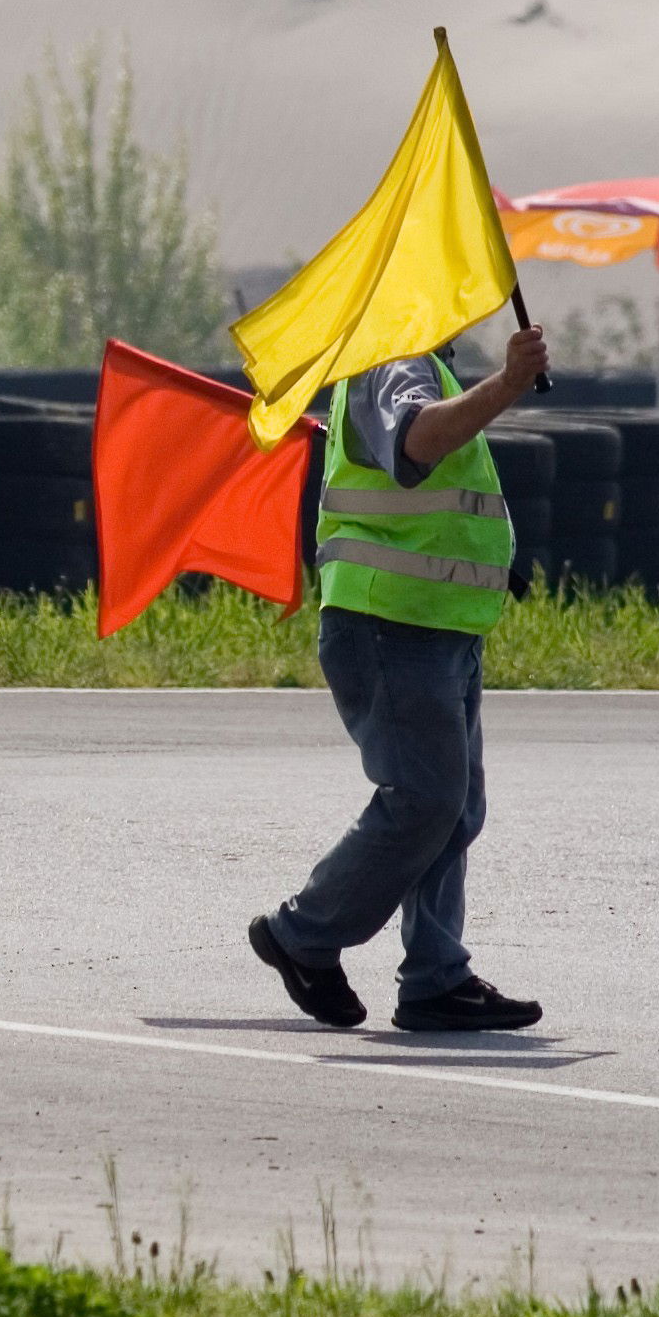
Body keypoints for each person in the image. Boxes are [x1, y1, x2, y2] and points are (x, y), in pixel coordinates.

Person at [249, 318, 554, 1034]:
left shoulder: (427, 364)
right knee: (425, 799)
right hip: (390, 625)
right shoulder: (393, 358)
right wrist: (507, 383)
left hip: (437, 624)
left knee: (452, 808)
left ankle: (435, 980)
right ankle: (302, 933)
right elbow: (416, 443)